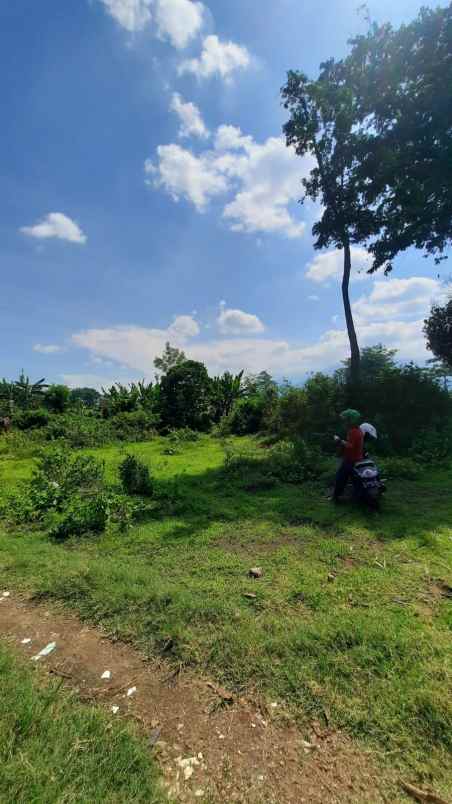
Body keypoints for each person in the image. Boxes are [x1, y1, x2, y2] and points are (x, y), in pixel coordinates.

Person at [332, 409, 364, 502]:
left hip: (351, 460)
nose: (344, 422)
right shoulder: (358, 430)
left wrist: (339, 440)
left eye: (345, 420)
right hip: (357, 459)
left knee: (340, 478)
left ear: (350, 420)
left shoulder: (353, 431)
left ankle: (336, 497)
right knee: (356, 480)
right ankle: (360, 497)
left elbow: (350, 446)